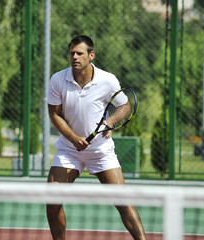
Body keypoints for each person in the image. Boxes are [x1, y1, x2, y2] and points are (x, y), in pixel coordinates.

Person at [46, 35, 147, 240]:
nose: (75, 57)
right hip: (69, 150)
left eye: (80, 53)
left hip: (101, 151)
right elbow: (54, 114)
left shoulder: (107, 80)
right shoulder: (58, 79)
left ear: (91, 55)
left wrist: (109, 123)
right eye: (72, 53)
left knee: (123, 203)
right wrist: (74, 138)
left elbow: (124, 105)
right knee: (52, 200)